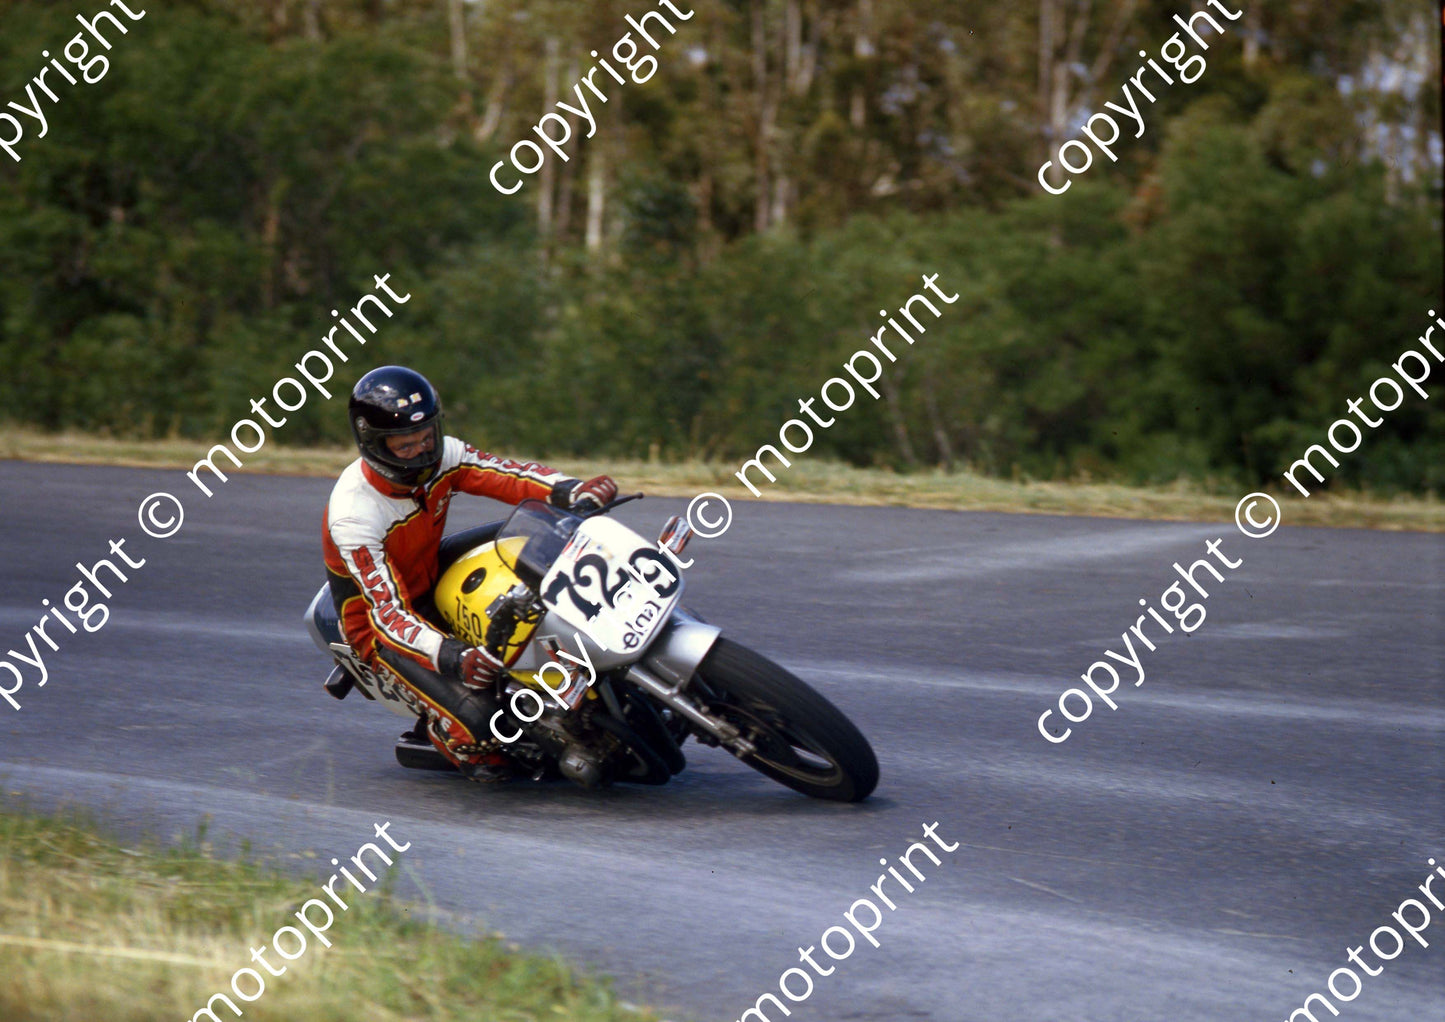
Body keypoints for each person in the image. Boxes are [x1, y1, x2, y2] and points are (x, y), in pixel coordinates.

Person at [322, 365, 616, 781]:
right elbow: (386, 615)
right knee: (483, 723)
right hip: (380, 627)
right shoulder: (354, 517)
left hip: (432, 571)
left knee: (544, 543)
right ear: (374, 445)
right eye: (406, 446)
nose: (423, 452)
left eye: (427, 437)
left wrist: (568, 489)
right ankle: (455, 741)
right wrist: (451, 655)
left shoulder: (445, 455)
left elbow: (508, 476)